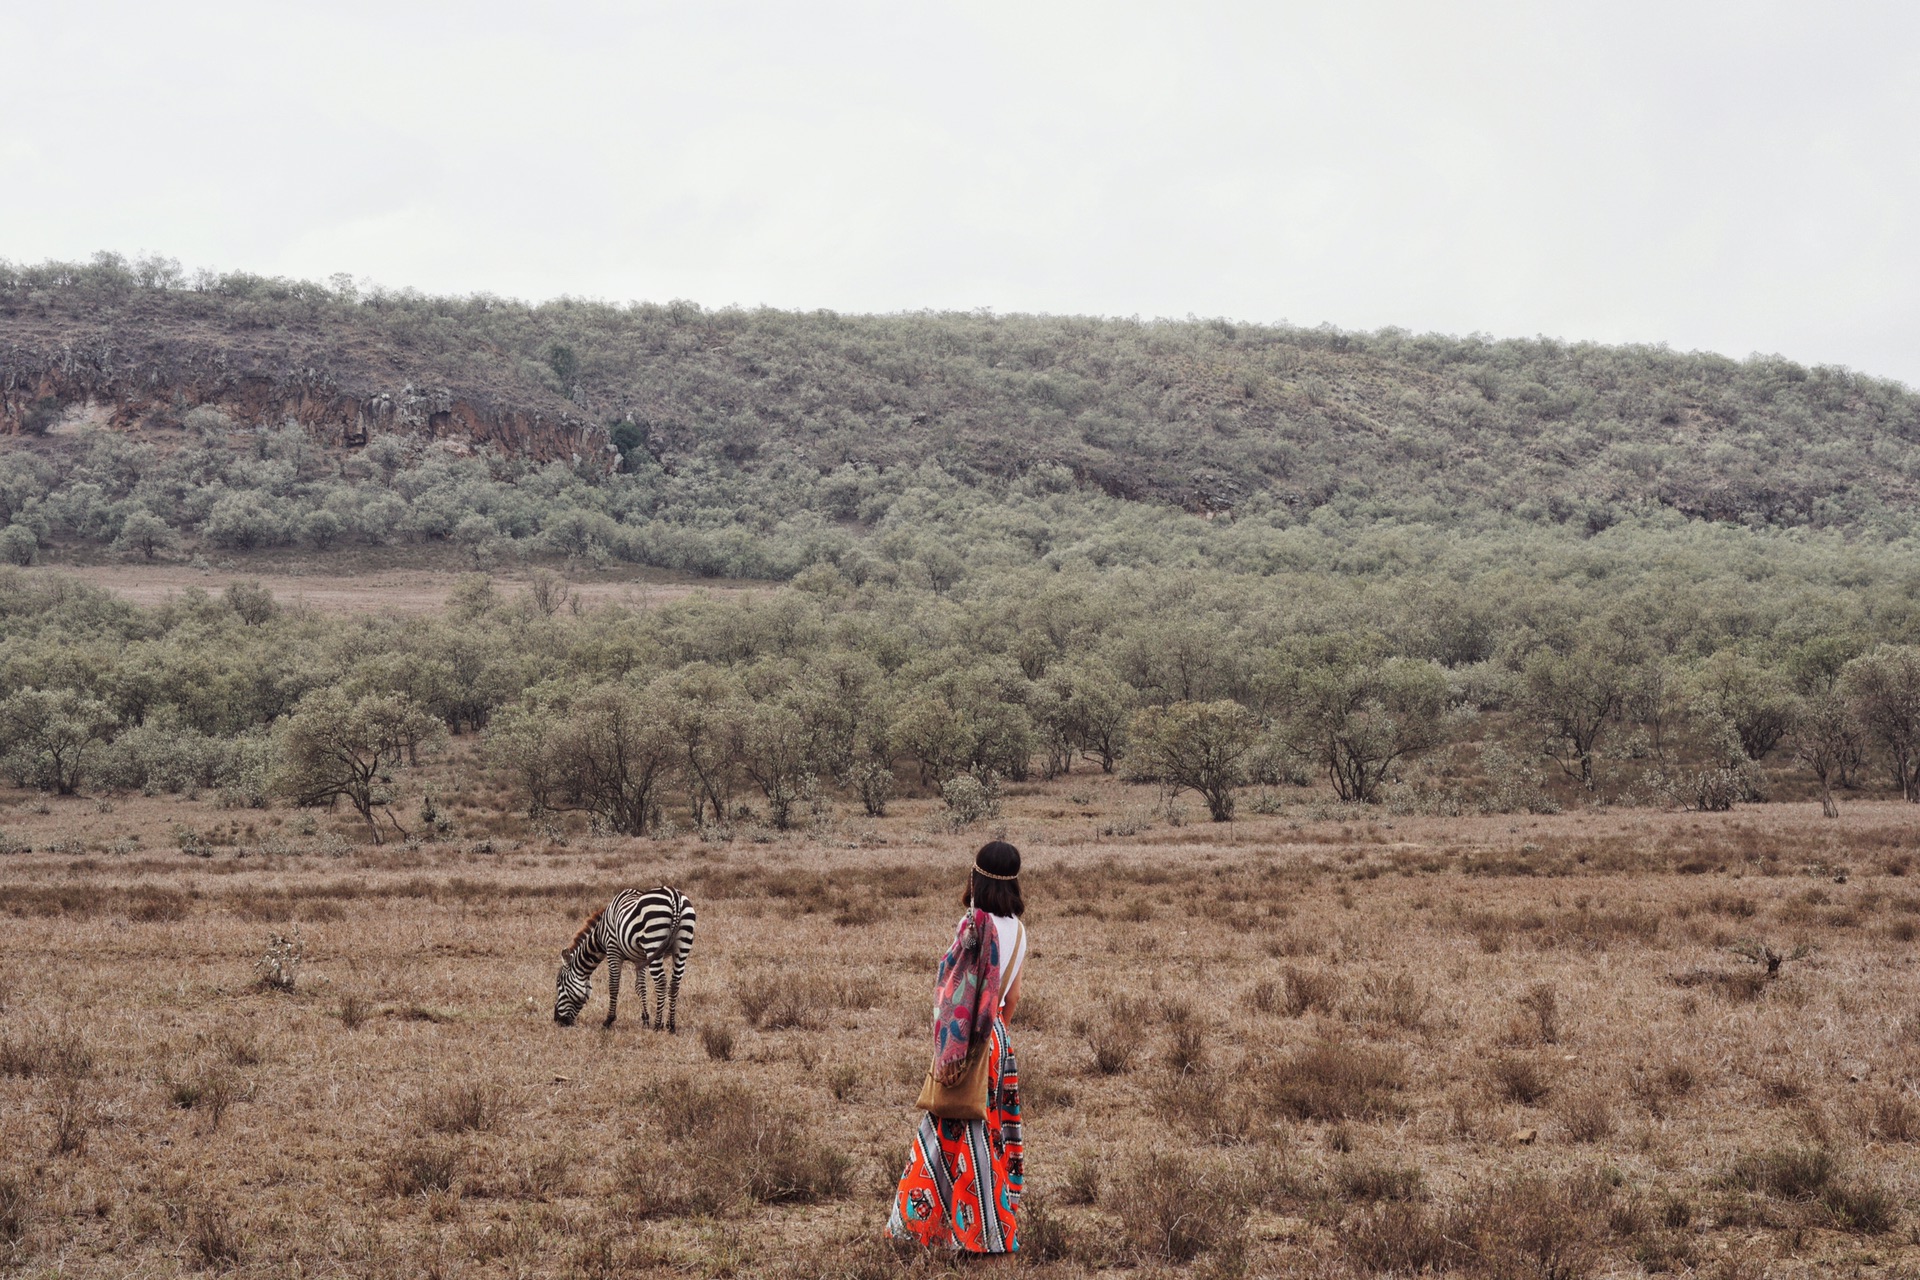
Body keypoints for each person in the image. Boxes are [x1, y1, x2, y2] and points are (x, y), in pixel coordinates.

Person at [886, 839, 1029, 1256]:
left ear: (977, 878)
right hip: (1000, 1039)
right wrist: (997, 1037)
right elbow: (1012, 999)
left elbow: (952, 995)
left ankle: (932, 1229)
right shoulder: (1019, 932)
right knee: (990, 1134)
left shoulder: (971, 926)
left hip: (967, 1041)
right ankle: (990, 1227)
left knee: (948, 1131)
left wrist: (959, 1046)